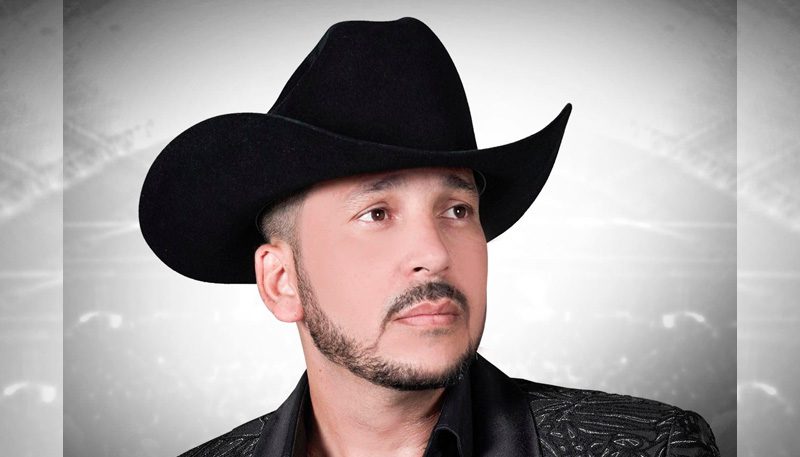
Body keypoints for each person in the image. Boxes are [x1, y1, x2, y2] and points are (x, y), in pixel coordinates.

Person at [139, 17, 720, 457]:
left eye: (458, 210)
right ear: (281, 281)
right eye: (376, 214)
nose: (435, 254)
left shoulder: (650, 447)